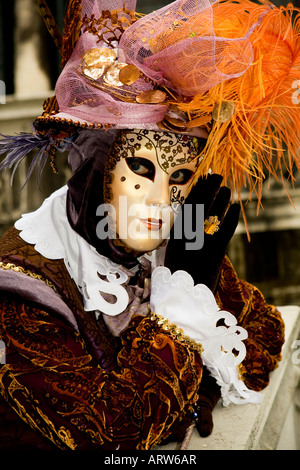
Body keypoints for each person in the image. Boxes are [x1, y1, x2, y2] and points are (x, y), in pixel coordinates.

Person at [0, 0, 297, 450]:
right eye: (140, 170)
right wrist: (182, 313)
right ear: (95, 167)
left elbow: (263, 339)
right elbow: (114, 434)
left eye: (180, 178)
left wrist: (192, 282)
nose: (160, 202)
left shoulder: (169, 246)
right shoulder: (26, 288)